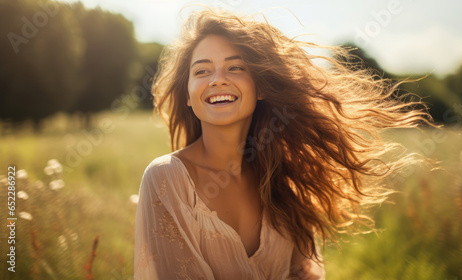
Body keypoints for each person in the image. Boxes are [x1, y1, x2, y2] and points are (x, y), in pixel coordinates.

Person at [134, 8, 432, 280]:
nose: (217, 79)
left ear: (260, 86)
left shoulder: (284, 184)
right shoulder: (167, 178)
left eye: (235, 67)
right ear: (187, 95)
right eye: (201, 71)